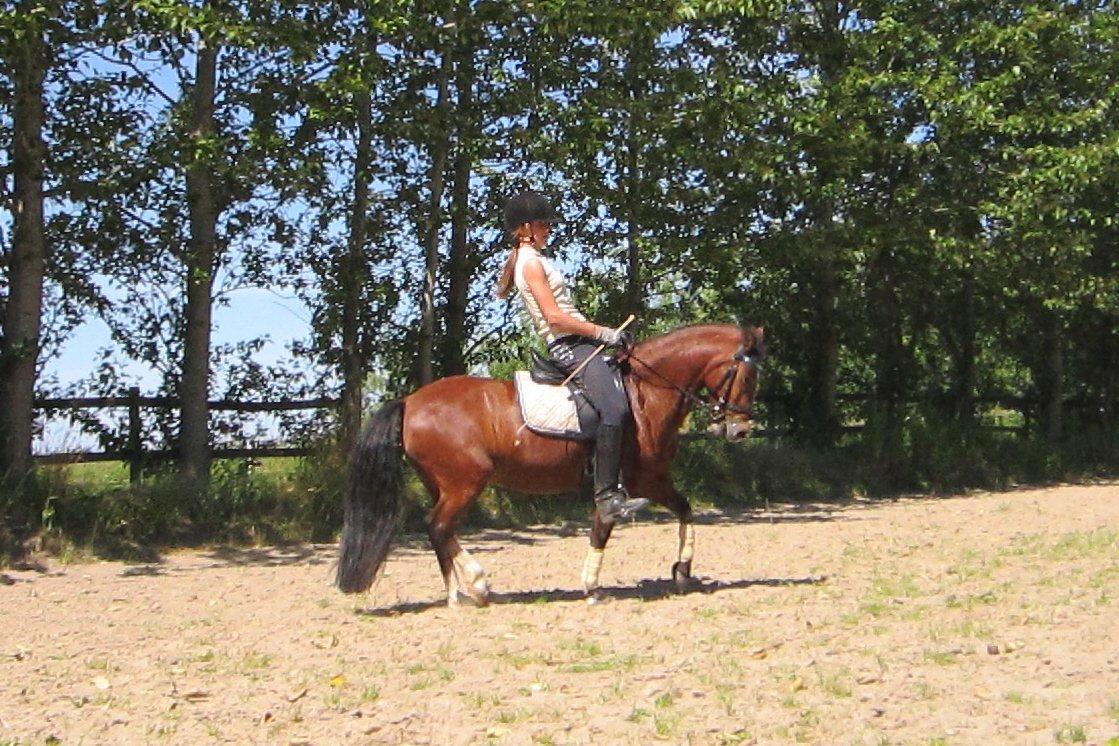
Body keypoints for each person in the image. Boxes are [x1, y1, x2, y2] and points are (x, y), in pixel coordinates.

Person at [497, 191, 649, 522]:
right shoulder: (531, 263)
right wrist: (603, 333)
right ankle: (607, 496)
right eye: (543, 224)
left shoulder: (533, 260)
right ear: (525, 228)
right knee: (614, 407)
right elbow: (554, 317)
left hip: (578, 340)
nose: (549, 230)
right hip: (569, 344)